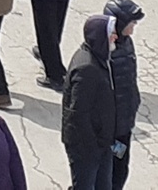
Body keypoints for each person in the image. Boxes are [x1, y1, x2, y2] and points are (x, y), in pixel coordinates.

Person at [61, 14, 118, 190]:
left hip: (101, 142)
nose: (116, 36)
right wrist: (93, 147)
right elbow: (78, 114)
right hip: (87, 147)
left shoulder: (98, 57)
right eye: (112, 33)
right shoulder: (86, 68)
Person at [104, 0, 144, 190]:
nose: (133, 27)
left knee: (120, 171)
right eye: (131, 23)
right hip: (111, 128)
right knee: (109, 175)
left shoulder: (127, 43)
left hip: (124, 124)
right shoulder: (105, 52)